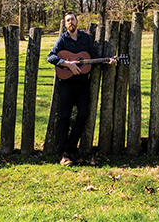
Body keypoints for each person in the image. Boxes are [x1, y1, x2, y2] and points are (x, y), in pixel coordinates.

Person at [46, 12, 115, 166]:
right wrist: (66, 63)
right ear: (65, 24)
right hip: (66, 84)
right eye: (68, 20)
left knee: (83, 115)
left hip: (83, 83)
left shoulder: (85, 38)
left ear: (77, 21)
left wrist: (106, 61)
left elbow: (93, 56)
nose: (71, 22)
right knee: (64, 117)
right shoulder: (63, 39)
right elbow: (50, 57)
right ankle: (63, 154)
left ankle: (72, 149)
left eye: (72, 19)